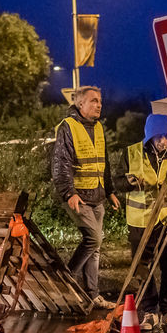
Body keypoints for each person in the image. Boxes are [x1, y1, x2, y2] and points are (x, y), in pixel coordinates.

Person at [114, 114, 167, 332]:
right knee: (142, 268)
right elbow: (117, 182)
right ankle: (150, 311)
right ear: (149, 137)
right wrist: (130, 182)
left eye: (166, 136)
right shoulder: (131, 153)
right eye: (158, 137)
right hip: (141, 221)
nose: (163, 141)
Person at [51, 86, 121, 306]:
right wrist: (69, 193)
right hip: (78, 196)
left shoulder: (98, 127)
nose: (99, 105)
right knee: (94, 239)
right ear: (80, 104)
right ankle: (67, 279)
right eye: (93, 101)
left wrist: (110, 191)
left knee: (95, 248)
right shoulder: (68, 127)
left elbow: (104, 162)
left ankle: (92, 294)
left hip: (97, 196)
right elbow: (60, 163)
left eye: (100, 100)